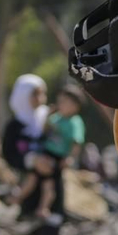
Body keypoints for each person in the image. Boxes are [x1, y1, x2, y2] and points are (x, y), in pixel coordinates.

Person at [0, 74, 66, 235]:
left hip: (52, 191)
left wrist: (55, 162)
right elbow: (9, 154)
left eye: (42, 93)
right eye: (35, 93)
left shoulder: (51, 121)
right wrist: (30, 161)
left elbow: (66, 144)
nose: (40, 98)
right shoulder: (15, 127)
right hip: (29, 194)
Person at [12, 84, 87, 224]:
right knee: (32, 178)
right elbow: (45, 130)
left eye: (65, 102)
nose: (61, 105)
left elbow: (77, 143)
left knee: (49, 185)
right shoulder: (57, 118)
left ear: (75, 106)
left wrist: (70, 158)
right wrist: (48, 116)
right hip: (46, 152)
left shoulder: (75, 122)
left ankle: (43, 208)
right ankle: (17, 198)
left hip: (58, 157)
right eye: (60, 101)